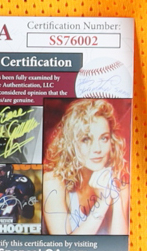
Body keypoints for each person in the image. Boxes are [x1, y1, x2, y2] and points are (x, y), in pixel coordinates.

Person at [42, 100, 130, 235]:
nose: (97, 149)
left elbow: (120, 244)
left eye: (104, 138)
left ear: (112, 142)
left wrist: (115, 198)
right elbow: (65, 246)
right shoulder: (53, 182)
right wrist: (103, 203)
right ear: (71, 144)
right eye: (86, 139)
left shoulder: (120, 181)